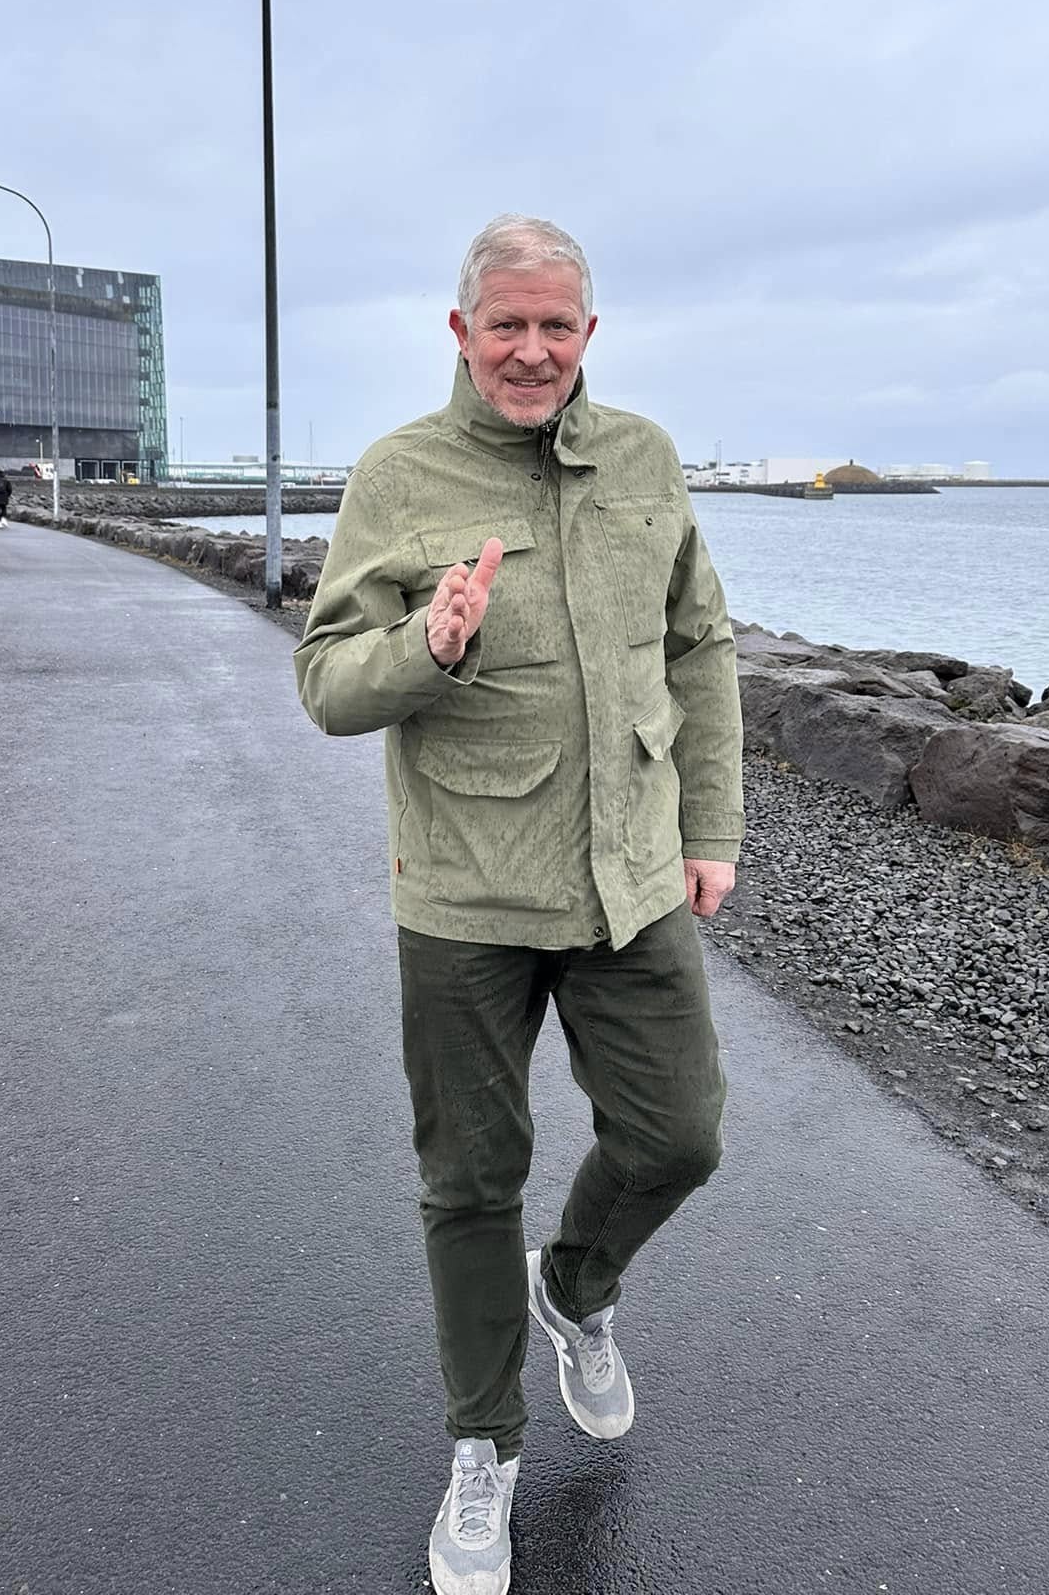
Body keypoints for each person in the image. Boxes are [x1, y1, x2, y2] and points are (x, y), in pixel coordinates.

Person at [293, 216, 743, 1595]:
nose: (533, 350)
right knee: (472, 1183)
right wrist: (426, 645)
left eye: (557, 326)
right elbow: (326, 681)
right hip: (466, 891)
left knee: (679, 1136)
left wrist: (710, 826)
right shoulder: (400, 474)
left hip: (631, 878)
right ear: (462, 331)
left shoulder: (646, 458)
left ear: (588, 333)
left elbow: (699, 645)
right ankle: (484, 1445)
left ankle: (577, 1285)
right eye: (508, 325)